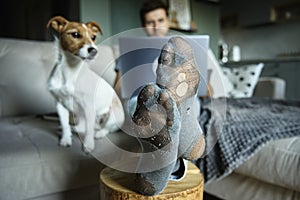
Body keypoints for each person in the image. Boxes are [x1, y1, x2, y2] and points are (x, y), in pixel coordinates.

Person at [112, 0, 206, 196]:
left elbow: (209, 91)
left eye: (160, 20)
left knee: (176, 102)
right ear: (143, 25)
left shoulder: (186, 51)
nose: (155, 26)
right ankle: (180, 124)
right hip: (142, 100)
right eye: (149, 22)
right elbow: (119, 87)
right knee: (143, 100)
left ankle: (158, 158)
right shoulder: (130, 51)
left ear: (168, 21)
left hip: (180, 100)